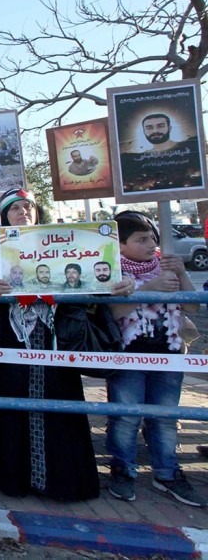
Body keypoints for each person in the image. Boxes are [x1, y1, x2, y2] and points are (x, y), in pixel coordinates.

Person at [0, 188, 124, 501]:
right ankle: (15, 481)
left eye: (28, 207)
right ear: (4, 215)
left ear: (37, 212)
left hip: (55, 337)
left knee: (60, 407)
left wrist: (119, 283)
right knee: (11, 408)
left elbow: (96, 275)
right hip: (11, 339)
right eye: (14, 209)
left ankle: (62, 485)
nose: (22, 212)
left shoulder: (63, 241)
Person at [106, 211, 205, 507]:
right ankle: (123, 470)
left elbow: (195, 310)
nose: (150, 244)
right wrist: (148, 289)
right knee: (125, 416)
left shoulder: (167, 267)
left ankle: (167, 472)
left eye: (151, 237)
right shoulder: (111, 271)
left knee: (164, 418)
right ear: (121, 245)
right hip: (128, 357)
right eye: (141, 239)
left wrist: (182, 274)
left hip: (170, 355)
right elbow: (114, 314)